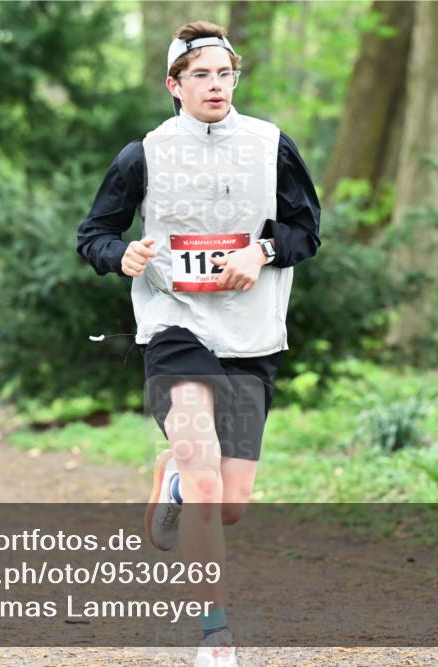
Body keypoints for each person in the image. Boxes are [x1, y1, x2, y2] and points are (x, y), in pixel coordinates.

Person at [76, 21, 320, 667]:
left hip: (251, 332)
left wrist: (260, 250)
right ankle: (215, 631)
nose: (216, 85)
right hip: (174, 324)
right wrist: (121, 254)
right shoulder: (144, 154)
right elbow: (94, 234)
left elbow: (306, 231)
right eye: (201, 75)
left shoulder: (271, 145)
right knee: (209, 483)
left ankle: (174, 479)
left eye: (225, 74)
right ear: (174, 85)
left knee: (229, 503)